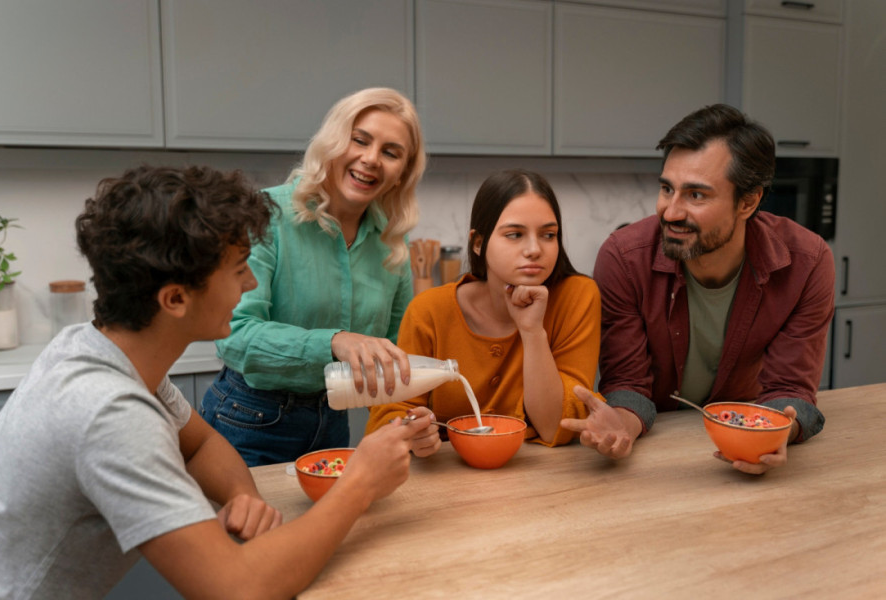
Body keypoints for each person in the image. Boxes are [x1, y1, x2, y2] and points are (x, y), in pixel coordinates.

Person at [0, 166, 432, 599]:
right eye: (239, 268)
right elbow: (238, 587)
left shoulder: (103, 350)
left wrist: (242, 495)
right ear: (176, 298)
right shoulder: (109, 413)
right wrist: (360, 483)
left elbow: (200, 444)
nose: (252, 281)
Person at [561, 104, 835, 475]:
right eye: (666, 189)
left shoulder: (808, 263)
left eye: (696, 195)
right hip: (654, 453)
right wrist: (618, 427)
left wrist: (770, 434)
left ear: (748, 202)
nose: (670, 212)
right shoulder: (623, 258)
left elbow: (790, 388)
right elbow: (628, 383)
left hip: (737, 442)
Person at [200, 87, 427, 467]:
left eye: (391, 152)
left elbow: (394, 350)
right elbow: (233, 334)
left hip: (333, 424)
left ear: (402, 172)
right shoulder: (267, 214)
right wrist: (333, 342)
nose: (371, 159)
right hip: (249, 420)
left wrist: (412, 414)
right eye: (360, 140)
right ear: (334, 141)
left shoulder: (392, 243)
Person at [365, 169, 600, 455]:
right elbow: (388, 417)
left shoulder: (577, 297)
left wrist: (532, 332)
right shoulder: (429, 311)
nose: (535, 249)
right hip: (448, 480)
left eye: (548, 235)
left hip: (543, 479)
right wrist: (411, 434)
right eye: (515, 235)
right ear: (478, 243)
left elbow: (557, 426)